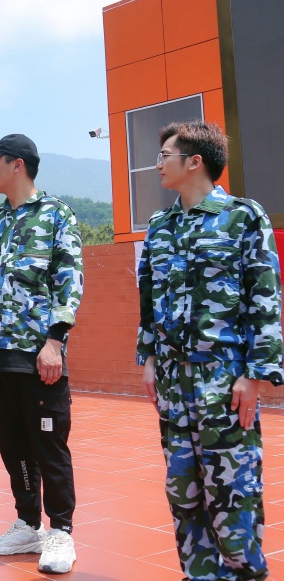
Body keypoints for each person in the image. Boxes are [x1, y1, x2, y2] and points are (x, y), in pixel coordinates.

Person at [137, 121, 282, 581]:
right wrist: (151, 358)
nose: (157, 163)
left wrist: (255, 374)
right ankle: (198, 574)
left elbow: (265, 297)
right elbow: (148, 298)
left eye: (165, 154)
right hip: (173, 379)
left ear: (194, 161)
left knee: (232, 488)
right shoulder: (160, 227)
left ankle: (243, 574)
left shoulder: (243, 217)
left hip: (224, 378)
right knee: (183, 489)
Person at [0, 133, 83, 574]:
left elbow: (69, 282)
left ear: (17, 165)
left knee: (48, 444)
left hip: (38, 354)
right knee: (12, 444)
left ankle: (61, 532)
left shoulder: (57, 216)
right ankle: (27, 523)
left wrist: (55, 342)